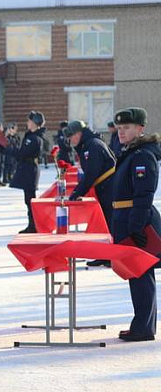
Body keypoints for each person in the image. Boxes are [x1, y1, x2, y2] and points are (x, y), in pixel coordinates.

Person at [110, 107, 160, 342]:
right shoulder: (131, 152)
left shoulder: (142, 155)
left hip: (135, 219)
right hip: (126, 218)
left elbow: (144, 194)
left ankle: (143, 327)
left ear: (140, 129)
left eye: (127, 127)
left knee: (140, 273)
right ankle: (143, 324)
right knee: (137, 274)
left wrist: (136, 226)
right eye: (119, 128)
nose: (121, 132)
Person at [63, 120, 117, 267]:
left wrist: (77, 193)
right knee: (106, 222)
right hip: (104, 187)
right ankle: (107, 255)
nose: (70, 140)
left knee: (112, 222)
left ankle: (113, 256)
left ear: (79, 133)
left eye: (71, 136)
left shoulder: (92, 145)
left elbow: (91, 173)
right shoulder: (87, 145)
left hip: (110, 187)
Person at [0, 111, 46, 233]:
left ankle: (33, 225)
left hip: (30, 169)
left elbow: (22, 153)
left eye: (29, 121)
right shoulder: (31, 136)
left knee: (30, 199)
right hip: (28, 168)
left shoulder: (34, 138)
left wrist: (7, 149)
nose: (27, 123)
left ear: (35, 123)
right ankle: (32, 224)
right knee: (28, 199)